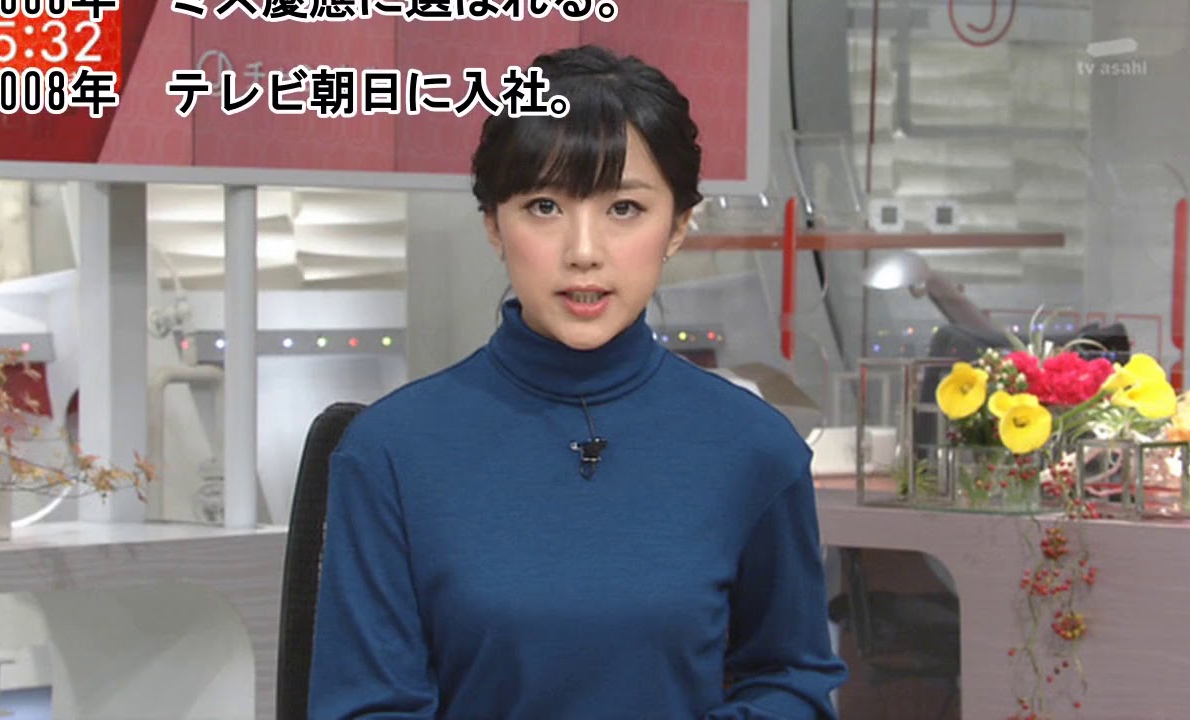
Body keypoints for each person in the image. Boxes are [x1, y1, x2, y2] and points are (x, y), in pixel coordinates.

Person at [309, 44, 848, 719]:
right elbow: (365, 706)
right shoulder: (389, 452)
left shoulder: (755, 448)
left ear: (679, 226)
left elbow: (792, 681)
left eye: (624, 208)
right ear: (493, 225)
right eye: (544, 206)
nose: (583, 251)